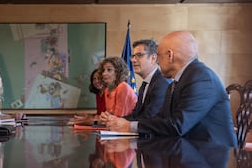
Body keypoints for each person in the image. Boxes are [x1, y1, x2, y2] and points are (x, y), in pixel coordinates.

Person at [105, 31, 237, 147]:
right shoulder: (178, 81)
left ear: (170, 55)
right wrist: (122, 124)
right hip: (189, 152)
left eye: (159, 56)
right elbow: (160, 119)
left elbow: (178, 126)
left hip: (211, 158)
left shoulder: (201, 78)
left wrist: (130, 126)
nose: (157, 62)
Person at [125, 39, 171, 121]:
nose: (133, 60)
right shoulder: (144, 85)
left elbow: (151, 118)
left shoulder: (162, 83)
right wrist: (115, 120)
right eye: (133, 56)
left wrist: (124, 124)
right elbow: (135, 115)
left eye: (139, 55)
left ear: (153, 58)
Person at [98, 56, 137, 125]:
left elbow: (118, 119)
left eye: (109, 70)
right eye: (103, 70)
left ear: (118, 72)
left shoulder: (123, 87)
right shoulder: (107, 90)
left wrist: (104, 119)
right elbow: (109, 117)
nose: (104, 73)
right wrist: (104, 117)